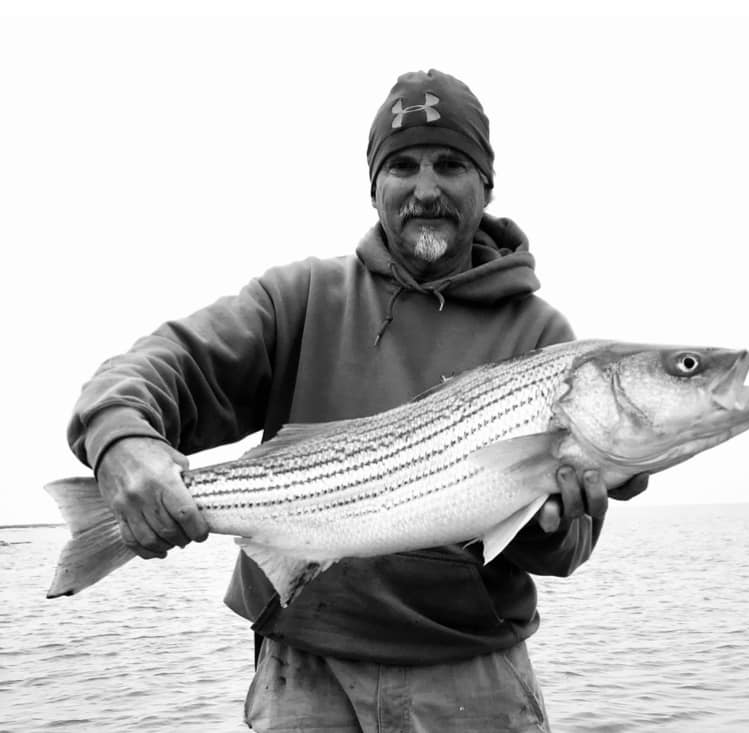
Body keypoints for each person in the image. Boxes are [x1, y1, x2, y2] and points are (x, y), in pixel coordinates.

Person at [67, 69, 648, 732]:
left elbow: (565, 552)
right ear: (374, 186)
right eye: (402, 166)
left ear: (486, 183)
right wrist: (120, 437)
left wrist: (553, 522)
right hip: (304, 675)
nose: (425, 189)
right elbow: (159, 364)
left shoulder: (543, 339)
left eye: (450, 164)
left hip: (472, 676)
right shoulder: (302, 298)